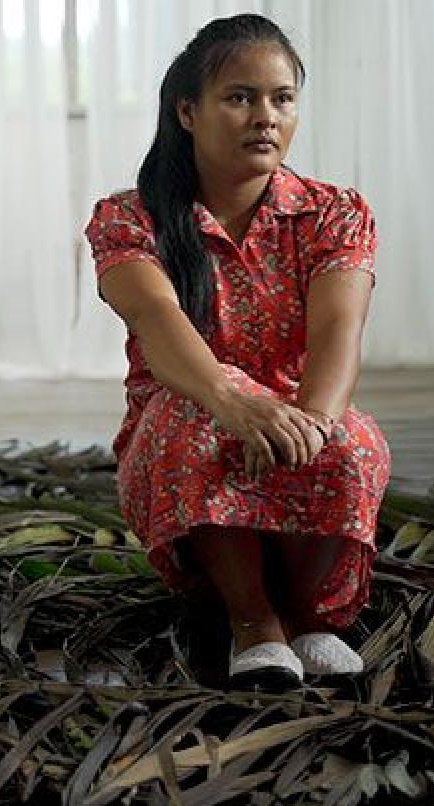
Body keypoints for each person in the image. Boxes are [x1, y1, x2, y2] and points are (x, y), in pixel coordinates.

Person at [85, 14, 390, 690]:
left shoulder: (334, 212)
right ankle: (252, 623)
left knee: (353, 443)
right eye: (239, 97)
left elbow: (342, 328)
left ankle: (309, 617)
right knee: (193, 427)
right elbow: (157, 319)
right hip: (191, 414)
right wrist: (234, 403)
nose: (265, 117)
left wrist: (311, 422)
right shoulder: (130, 218)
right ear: (188, 112)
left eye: (282, 99)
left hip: (294, 415)